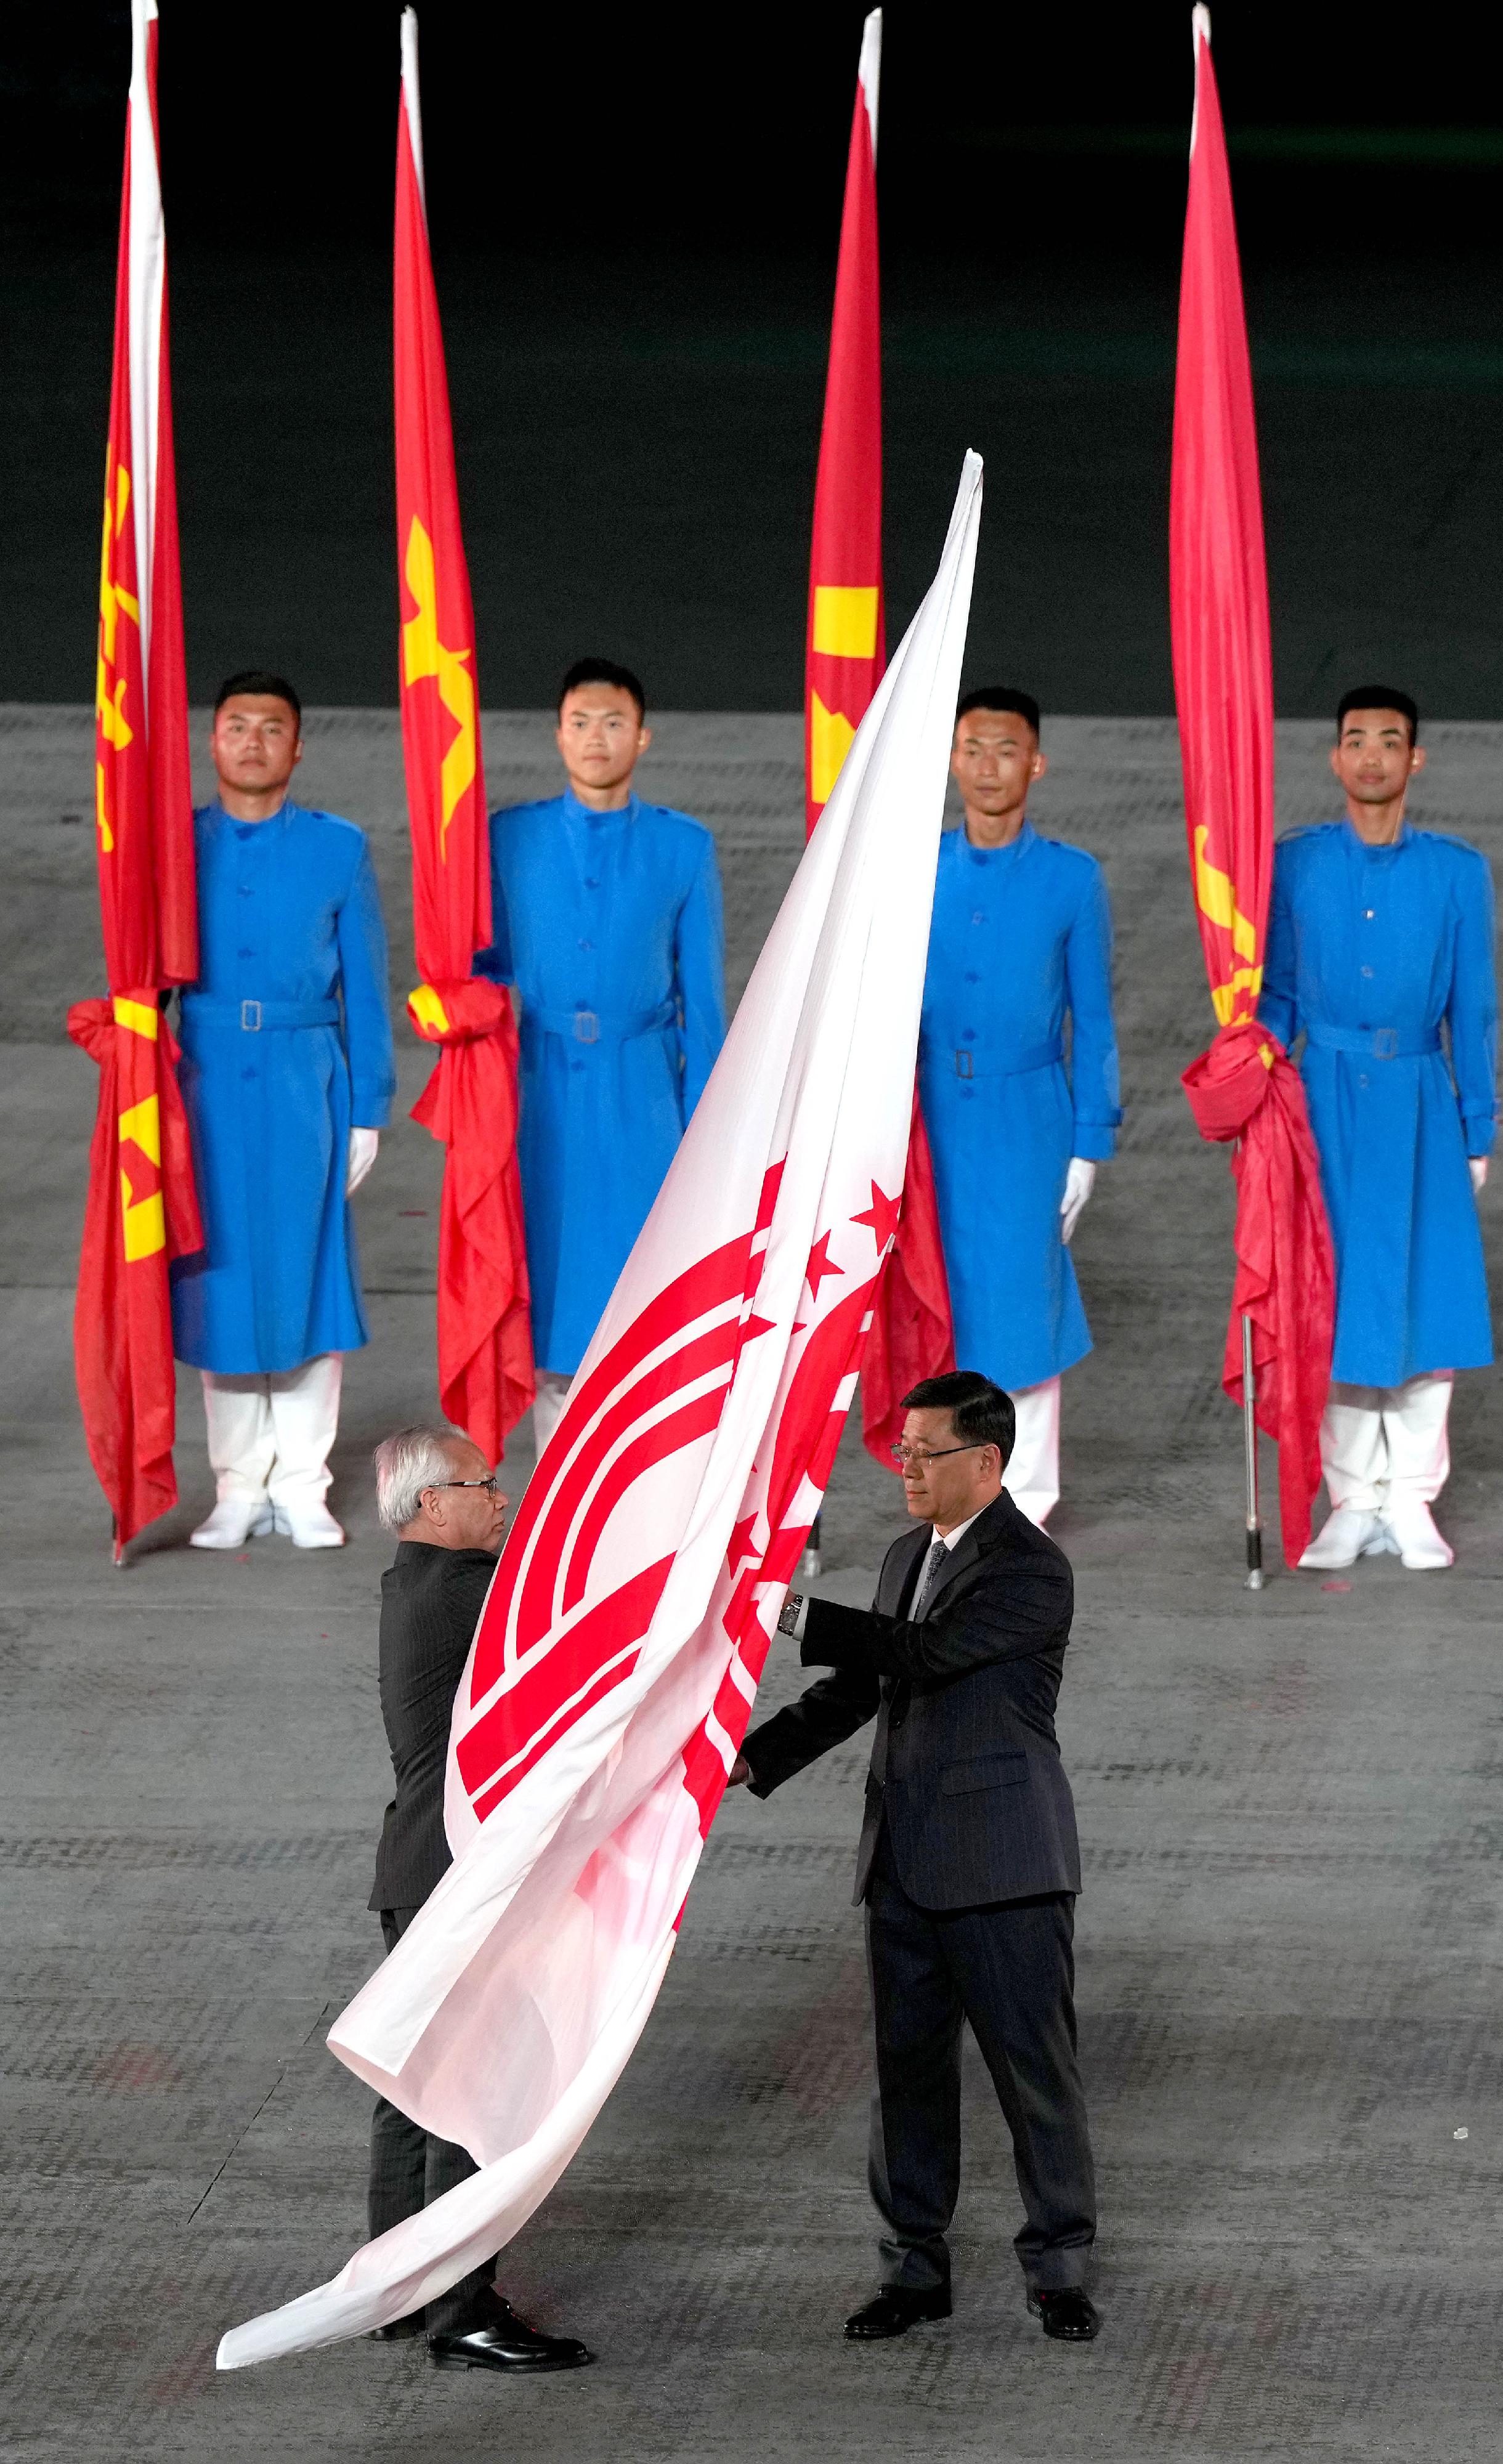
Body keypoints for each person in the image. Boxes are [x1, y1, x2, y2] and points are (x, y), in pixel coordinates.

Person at [733, 1371, 1100, 2344]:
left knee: (1035, 2072)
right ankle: (912, 2270)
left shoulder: (1030, 1568)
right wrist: (749, 1759)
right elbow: (865, 1685)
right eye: (901, 1452)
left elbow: (927, 1654)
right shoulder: (906, 1555)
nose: (906, 1468)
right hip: (901, 1864)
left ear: (985, 1461)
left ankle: (1059, 2268)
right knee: (906, 2074)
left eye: (923, 1454)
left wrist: (790, 1609)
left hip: (1007, 1866)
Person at [367, 1424, 593, 2373]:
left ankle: (395, 2287)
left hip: (416, 1869)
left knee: (412, 2088)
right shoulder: (467, 1592)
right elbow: (584, 1621)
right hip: (459, 1875)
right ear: (430, 1505)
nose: (502, 1499)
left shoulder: (410, 1585)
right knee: (471, 2094)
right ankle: (461, 2307)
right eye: (483, 1485)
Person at [1258, 689, 1497, 1572]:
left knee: (1428, 1300)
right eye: (1355, 740)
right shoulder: (1297, 864)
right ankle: (1352, 1498)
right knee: (1338, 1299)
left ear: (1415, 760)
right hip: (1321, 1100)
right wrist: (1258, 1083)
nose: (1370, 757)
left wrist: (1476, 1127)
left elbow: (1473, 1007)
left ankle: (1413, 1497)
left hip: (1420, 1097)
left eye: (1389, 742)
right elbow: (1277, 994)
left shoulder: (1455, 871)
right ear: (1334, 757)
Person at [476, 659, 726, 1453]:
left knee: (642, 1287)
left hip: (643, 1095)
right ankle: (558, 1481)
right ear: (557, 735)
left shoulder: (684, 848)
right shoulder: (506, 837)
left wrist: (709, 1131)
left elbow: (706, 1004)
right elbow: (482, 974)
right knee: (550, 1289)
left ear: (642, 737)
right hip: (538, 1092)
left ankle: (639, 1476)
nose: (595, 737)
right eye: (580, 722)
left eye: (613, 722)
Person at [172, 673, 394, 1549]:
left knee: (306, 1277)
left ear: (298, 748)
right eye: (237, 726)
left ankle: (304, 1482)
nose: (254, 741)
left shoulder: (339, 848)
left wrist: (368, 1107)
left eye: (273, 728)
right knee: (219, 1280)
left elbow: (368, 991)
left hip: (309, 1083)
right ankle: (237, 1485)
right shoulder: (178, 845)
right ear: (213, 741)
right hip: (206, 1083)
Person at [918, 690, 1121, 1525]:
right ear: (953, 758)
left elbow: (1096, 1019)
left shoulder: (1072, 879)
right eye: (973, 747)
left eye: (1008, 749)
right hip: (929, 1114)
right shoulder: (914, 867)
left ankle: (1026, 1496)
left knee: (1022, 1296)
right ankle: (943, 1484)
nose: (989, 764)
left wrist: (1089, 1141)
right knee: (942, 1296)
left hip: (1028, 1117)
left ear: (1035, 763)